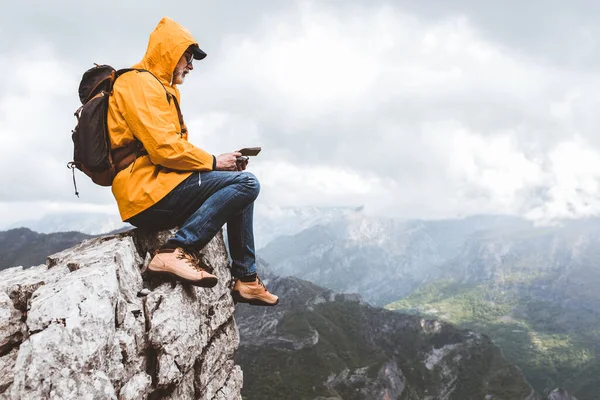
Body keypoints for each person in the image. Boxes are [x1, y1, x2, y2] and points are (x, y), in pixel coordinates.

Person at [106, 16, 278, 306]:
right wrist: (213, 162)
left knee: (239, 187)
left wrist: (220, 166)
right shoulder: (138, 84)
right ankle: (175, 251)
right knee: (247, 183)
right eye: (187, 56)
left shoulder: (161, 88)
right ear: (169, 53)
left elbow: (171, 150)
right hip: (145, 191)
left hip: (159, 186)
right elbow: (163, 149)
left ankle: (246, 280)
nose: (191, 64)